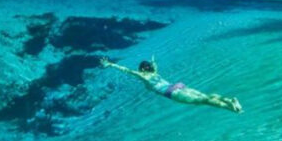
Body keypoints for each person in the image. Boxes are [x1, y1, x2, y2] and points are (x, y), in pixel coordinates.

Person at [101, 57, 243, 114]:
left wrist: (110, 64)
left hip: (171, 92)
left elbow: (126, 70)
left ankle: (231, 108)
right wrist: (153, 62)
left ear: (142, 69)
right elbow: (154, 65)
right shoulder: (155, 72)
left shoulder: (143, 75)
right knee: (205, 96)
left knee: (203, 101)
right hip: (178, 86)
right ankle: (229, 100)